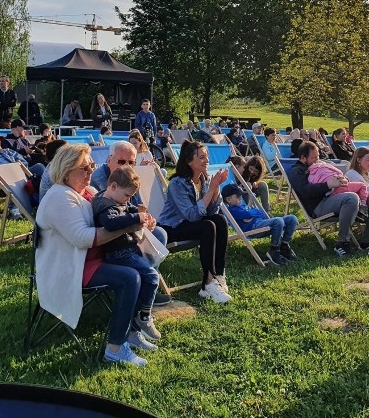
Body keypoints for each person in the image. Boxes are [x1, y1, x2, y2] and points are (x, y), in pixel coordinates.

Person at [36, 144, 155, 366]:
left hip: (90, 260)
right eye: (84, 168)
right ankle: (115, 349)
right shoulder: (59, 197)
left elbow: (118, 214)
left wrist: (139, 218)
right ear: (65, 170)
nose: (91, 171)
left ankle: (132, 329)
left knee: (142, 268)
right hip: (68, 266)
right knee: (130, 278)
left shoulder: (88, 192)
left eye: (91, 166)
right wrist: (130, 225)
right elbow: (83, 238)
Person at [91, 166, 161, 349]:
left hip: (127, 250)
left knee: (148, 278)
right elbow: (111, 223)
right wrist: (136, 218)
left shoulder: (116, 200)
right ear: (113, 186)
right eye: (127, 195)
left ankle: (135, 326)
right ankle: (144, 317)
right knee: (152, 277)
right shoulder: (105, 206)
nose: (128, 200)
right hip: (118, 253)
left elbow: (126, 209)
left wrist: (143, 218)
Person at [159, 141, 231, 303]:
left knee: (219, 220)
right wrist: (211, 190)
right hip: (171, 228)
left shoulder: (203, 180)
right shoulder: (177, 184)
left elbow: (212, 212)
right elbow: (191, 215)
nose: (207, 160)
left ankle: (218, 275)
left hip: (189, 224)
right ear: (189, 161)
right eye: (202, 157)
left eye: (207, 157)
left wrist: (216, 189)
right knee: (207, 226)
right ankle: (209, 282)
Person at [289, 141, 369, 257]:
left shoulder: (321, 165)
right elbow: (305, 191)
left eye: (318, 157)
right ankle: (342, 243)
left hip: (337, 195)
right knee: (351, 198)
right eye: (313, 158)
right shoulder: (297, 171)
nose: (317, 160)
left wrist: (343, 180)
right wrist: (328, 185)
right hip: (319, 205)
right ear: (302, 158)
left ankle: (368, 241)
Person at [222, 183, 298, 265]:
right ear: (229, 199)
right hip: (253, 228)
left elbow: (261, 213)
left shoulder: (242, 206)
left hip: (261, 223)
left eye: (241, 195)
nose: (240, 198)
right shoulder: (232, 210)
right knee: (278, 221)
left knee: (292, 219)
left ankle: (284, 245)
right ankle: (274, 249)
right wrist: (252, 212)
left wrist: (252, 212)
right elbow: (250, 214)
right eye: (237, 196)